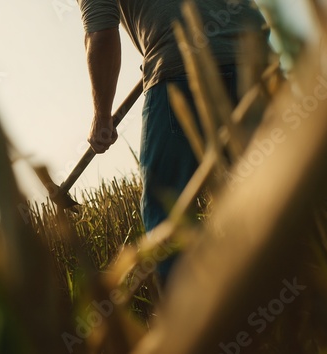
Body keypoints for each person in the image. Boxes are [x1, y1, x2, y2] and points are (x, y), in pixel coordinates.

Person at [77, 0, 266, 285]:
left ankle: (193, 322)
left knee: (168, 215)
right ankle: (300, 308)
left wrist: (101, 116)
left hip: (179, 67)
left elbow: (101, 35)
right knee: (271, 190)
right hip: (257, 58)